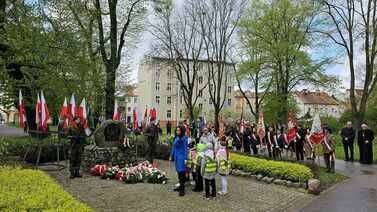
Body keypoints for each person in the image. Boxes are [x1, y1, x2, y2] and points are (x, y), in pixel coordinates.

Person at [170, 126, 188, 196]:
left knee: (181, 173)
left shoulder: (184, 138)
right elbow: (174, 147)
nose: (177, 132)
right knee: (178, 172)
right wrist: (171, 155)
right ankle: (180, 186)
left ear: (182, 131)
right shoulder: (177, 137)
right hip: (177, 157)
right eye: (177, 130)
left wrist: (186, 158)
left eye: (179, 131)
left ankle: (182, 190)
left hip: (182, 157)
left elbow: (185, 149)